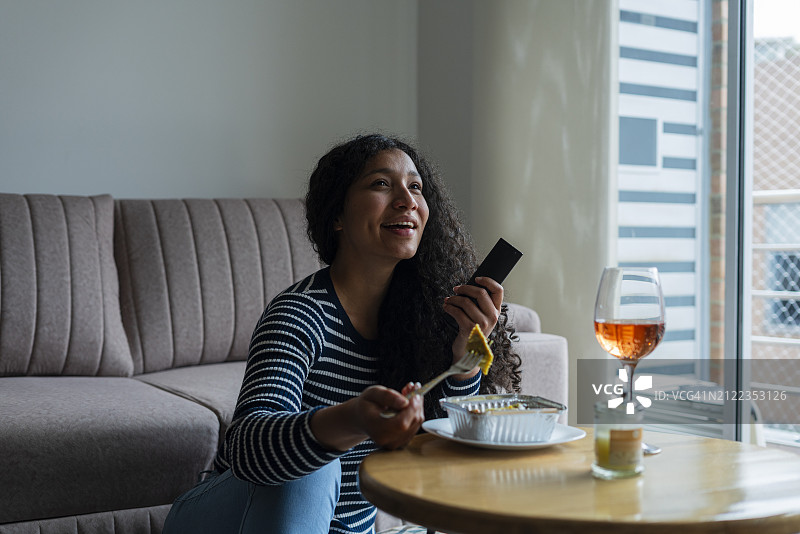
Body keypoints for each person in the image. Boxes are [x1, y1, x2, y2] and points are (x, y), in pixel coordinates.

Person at [163, 133, 521, 534]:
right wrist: (351, 420)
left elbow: (439, 446)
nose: (407, 200)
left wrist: (464, 360)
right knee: (313, 468)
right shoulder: (300, 313)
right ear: (337, 215)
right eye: (382, 184)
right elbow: (247, 448)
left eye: (415, 187)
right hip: (228, 521)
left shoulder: (419, 319)